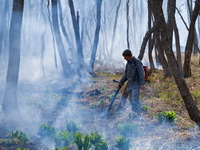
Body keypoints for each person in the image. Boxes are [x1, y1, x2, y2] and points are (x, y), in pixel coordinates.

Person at [118, 49, 145, 117]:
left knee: (134, 100)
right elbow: (126, 75)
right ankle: (134, 113)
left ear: (129, 56)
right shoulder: (128, 63)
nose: (124, 58)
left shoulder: (137, 62)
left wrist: (142, 83)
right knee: (131, 100)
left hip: (136, 84)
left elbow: (141, 73)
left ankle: (137, 115)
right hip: (130, 84)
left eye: (125, 56)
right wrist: (121, 82)